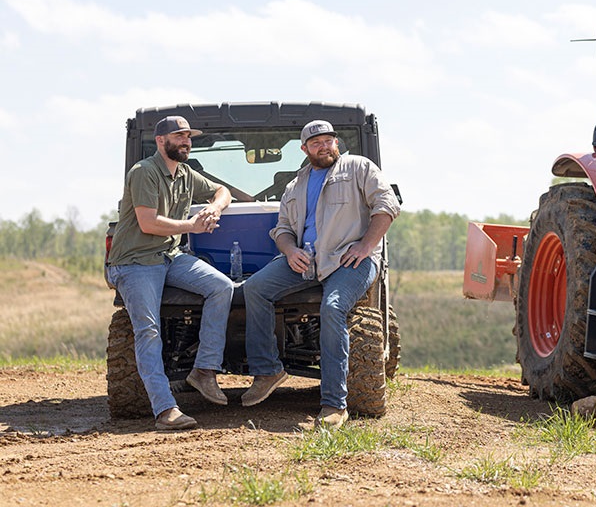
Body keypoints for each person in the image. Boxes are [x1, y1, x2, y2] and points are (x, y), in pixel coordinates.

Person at [240, 119, 400, 431]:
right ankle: (268, 370)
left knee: (333, 307)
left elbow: (387, 205)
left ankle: (334, 405)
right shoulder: (295, 186)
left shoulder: (358, 167)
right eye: (316, 143)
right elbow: (282, 230)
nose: (323, 146)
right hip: (306, 261)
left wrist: (367, 246)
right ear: (304, 149)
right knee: (254, 288)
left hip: (350, 259)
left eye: (328, 140)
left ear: (336, 142)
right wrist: (290, 251)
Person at [106, 115, 235, 431]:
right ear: (161, 141)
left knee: (222, 286)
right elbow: (149, 223)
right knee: (148, 331)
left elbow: (222, 190)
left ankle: (203, 370)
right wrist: (193, 225)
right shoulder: (143, 173)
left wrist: (214, 208)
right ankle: (166, 410)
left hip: (170, 256)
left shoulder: (187, 174)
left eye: (189, 136)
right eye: (180, 136)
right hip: (136, 262)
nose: (187, 142)